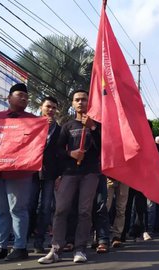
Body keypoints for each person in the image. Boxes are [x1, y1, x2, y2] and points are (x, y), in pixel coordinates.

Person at [39, 89, 101, 264]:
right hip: (69, 173)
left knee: (84, 211)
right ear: (73, 104)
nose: (80, 102)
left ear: (89, 103)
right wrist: (71, 153)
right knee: (61, 209)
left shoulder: (97, 125)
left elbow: (104, 147)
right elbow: (58, 150)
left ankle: (80, 248)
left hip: (90, 173)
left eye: (83, 99)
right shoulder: (67, 126)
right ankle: (56, 249)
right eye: (77, 100)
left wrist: (93, 128)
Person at [0, 83, 37, 262]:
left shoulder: (33, 121)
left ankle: (20, 247)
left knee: (18, 209)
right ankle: (1, 247)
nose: (23, 98)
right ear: (9, 98)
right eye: (19, 94)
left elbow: (36, 145)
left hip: (19, 173)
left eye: (25, 96)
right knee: (0, 211)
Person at [31, 96, 62, 253]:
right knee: (29, 206)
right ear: (41, 107)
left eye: (53, 108)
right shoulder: (32, 125)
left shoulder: (59, 129)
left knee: (45, 208)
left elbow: (60, 153)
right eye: (48, 106)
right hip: (31, 171)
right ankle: (22, 241)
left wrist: (59, 175)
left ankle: (39, 241)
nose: (50, 110)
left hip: (50, 173)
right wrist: (41, 128)